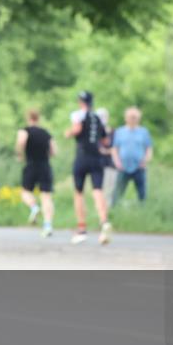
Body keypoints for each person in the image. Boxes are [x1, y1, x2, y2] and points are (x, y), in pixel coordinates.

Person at [65, 90, 111, 244]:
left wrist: (68, 133)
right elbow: (105, 141)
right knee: (98, 190)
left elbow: (77, 129)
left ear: (80, 102)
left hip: (82, 156)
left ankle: (82, 228)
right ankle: (104, 221)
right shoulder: (98, 117)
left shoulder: (78, 115)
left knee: (79, 192)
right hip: (97, 157)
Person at [16, 109, 56, 237]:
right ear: (38, 119)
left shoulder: (24, 131)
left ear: (28, 118)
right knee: (46, 196)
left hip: (31, 164)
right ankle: (48, 225)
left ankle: (34, 207)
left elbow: (21, 142)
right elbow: (54, 151)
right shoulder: (46, 133)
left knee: (25, 192)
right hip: (45, 166)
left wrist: (20, 154)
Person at [111, 107, 153, 206]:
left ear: (138, 119)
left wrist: (146, 160)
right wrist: (117, 162)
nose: (133, 119)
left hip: (139, 167)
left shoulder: (144, 132)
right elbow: (114, 149)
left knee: (141, 192)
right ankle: (114, 210)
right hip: (123, 166)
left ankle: (143, 211)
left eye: (135, 117)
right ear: (126, 118)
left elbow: (149, 148)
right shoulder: (119, 132)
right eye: (131, 117)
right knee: (118, 192)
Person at [96, 108, 118, 201]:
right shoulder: (94, 132)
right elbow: (98, 148)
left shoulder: (113, 132)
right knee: (100, 188)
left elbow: (116, 147)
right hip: (99, 164)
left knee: (112, 186)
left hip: (112, 163)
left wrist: (111, 151)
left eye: (104, 116)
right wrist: (110, 151)